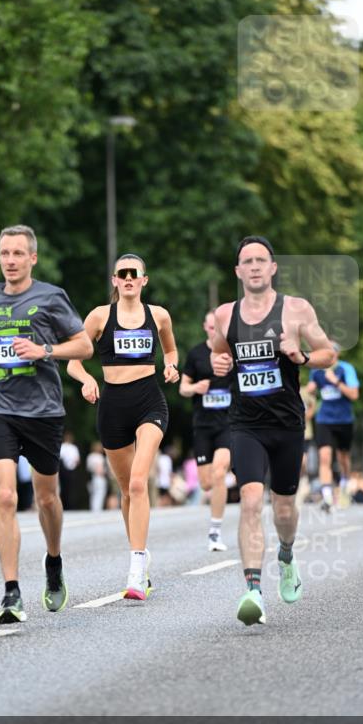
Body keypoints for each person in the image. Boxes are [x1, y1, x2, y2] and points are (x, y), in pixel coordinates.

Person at [0, 224, 92, 624]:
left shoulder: (51, 297)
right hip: (0, 408)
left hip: (44, 412)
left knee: (47, 498)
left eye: (18, 254)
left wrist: (45, 350)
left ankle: (53, 560)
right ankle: (11, 592)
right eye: (5, 254)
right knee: (5, 497)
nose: (11, 261)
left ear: (32, 258)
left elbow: (85, 345)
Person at [212, 236, 335, 626]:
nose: (254, 267)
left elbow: (328, 353)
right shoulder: (224, 315)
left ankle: (285, 554)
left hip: (287, 423)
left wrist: (300, 356)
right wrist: (219, 363)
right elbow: (219, 350)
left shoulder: (296, 310)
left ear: (273, 267)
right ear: (238, 271)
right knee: (250, 500)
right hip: (245, 424)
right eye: (246, 261)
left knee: (283, 507)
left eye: (260, 260)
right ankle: (252, 590)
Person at [67, 253, 179, 600]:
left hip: (149, 402)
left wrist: (173, 368)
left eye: (135, 274)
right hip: (113, 406)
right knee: (126, 491)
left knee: (138, 481)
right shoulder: (100, 317)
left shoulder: (158, 315)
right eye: (122, 274)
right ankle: (140, 552)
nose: (129, 278)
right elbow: (73, 361)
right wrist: (86, 380)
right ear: (114, 280)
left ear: (144, 280)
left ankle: (136, 568)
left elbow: (171, 352)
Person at [180, 310, 234, 550]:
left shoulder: (232, 353)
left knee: (219, 473)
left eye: (218, 328)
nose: (215, 331)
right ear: (205, 327)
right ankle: (224, 481)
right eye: (211, 327)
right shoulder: (196, 354)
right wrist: (195, 388)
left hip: (228, 424)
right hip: (202, 425)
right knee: (205, 483)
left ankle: (215, 532)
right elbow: (182, 388)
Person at [308, 343, 360, 512]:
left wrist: (336, 382)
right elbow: (311, 393)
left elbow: (354, 394)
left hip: (344, 420)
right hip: (324, 419)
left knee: (343, 457)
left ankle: (344, 487)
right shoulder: (316, 372)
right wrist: (310, 391)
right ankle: (327, 497)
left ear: (336, 354)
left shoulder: (346, 369)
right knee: (325, 457)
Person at [86, 441, 108, 512]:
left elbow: (88, 467)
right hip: (99, 477)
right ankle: (97, 509)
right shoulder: (99, 457)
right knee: (100, 493)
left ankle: (93, 508)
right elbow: (100, 469)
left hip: (93, 477)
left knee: (93, 494)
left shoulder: (90, 456)